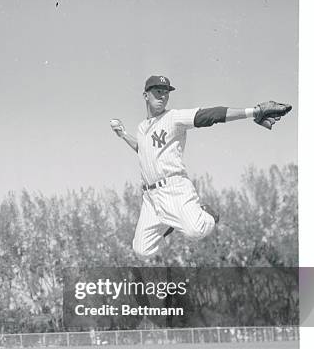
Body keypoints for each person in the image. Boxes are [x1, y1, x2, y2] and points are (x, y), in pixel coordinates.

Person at [109, 75, 291, 259]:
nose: (162, 96)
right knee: (141, 251)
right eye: (157, 91)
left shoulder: (173, 118)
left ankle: (206, 214)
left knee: (196, 231)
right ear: (145, 95)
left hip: (173, 188)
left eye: (166, 92)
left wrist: (255, 111)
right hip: (150, 198)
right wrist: (123, 134)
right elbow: (144, 150)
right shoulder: (142, 127)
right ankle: (171, 221)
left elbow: (211, 115)